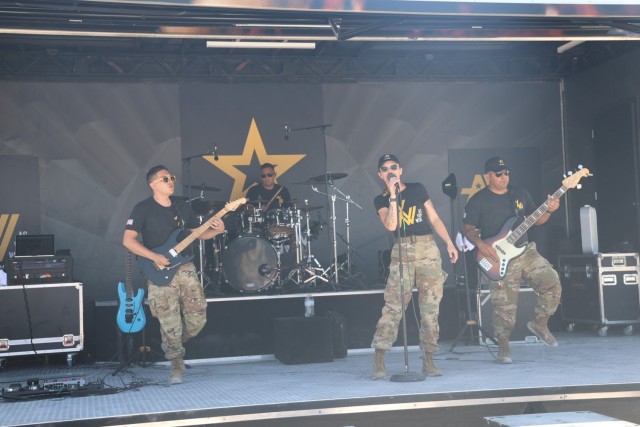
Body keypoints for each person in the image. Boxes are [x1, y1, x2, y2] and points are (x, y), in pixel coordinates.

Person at [123, 165, 225, 384]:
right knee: (169, 321)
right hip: (158, 269)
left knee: (198, 317)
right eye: (165, 178)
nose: (171, 181)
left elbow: (194, 235)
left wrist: (216, 230)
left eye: (172, 177)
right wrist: (154, 257)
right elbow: (128, 240)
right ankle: (176, 367)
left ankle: (173, 342)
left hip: (184, 267)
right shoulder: (142, 209)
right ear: (153, 184)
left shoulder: (182, 208)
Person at [462, 156, 562, 364]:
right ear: (488, 175)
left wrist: (550, 210)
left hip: (525, 251)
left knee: (552, 284)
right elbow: (468, 228)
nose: (504, 177)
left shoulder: (520, 194)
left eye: (506, 172)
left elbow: (538, 219)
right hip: (497, 256)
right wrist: (482, 245)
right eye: (498, 174)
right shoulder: (478, 200)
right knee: (504, 308)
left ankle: (540, 323)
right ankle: (504, 346)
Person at [371, 154, 458, 379]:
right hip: (403, 251)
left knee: (430, 308)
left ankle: (429, 361)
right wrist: (392, 195)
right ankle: (379, 360)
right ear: (380, 175)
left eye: (393, 167)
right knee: (393, 306)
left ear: (401, 170)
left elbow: (435, 218)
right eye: (385, 169)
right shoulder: (380, 200)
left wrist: (449, 243)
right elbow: (392, 225)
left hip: (427, 248)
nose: (390, 171)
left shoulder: (418, 189)